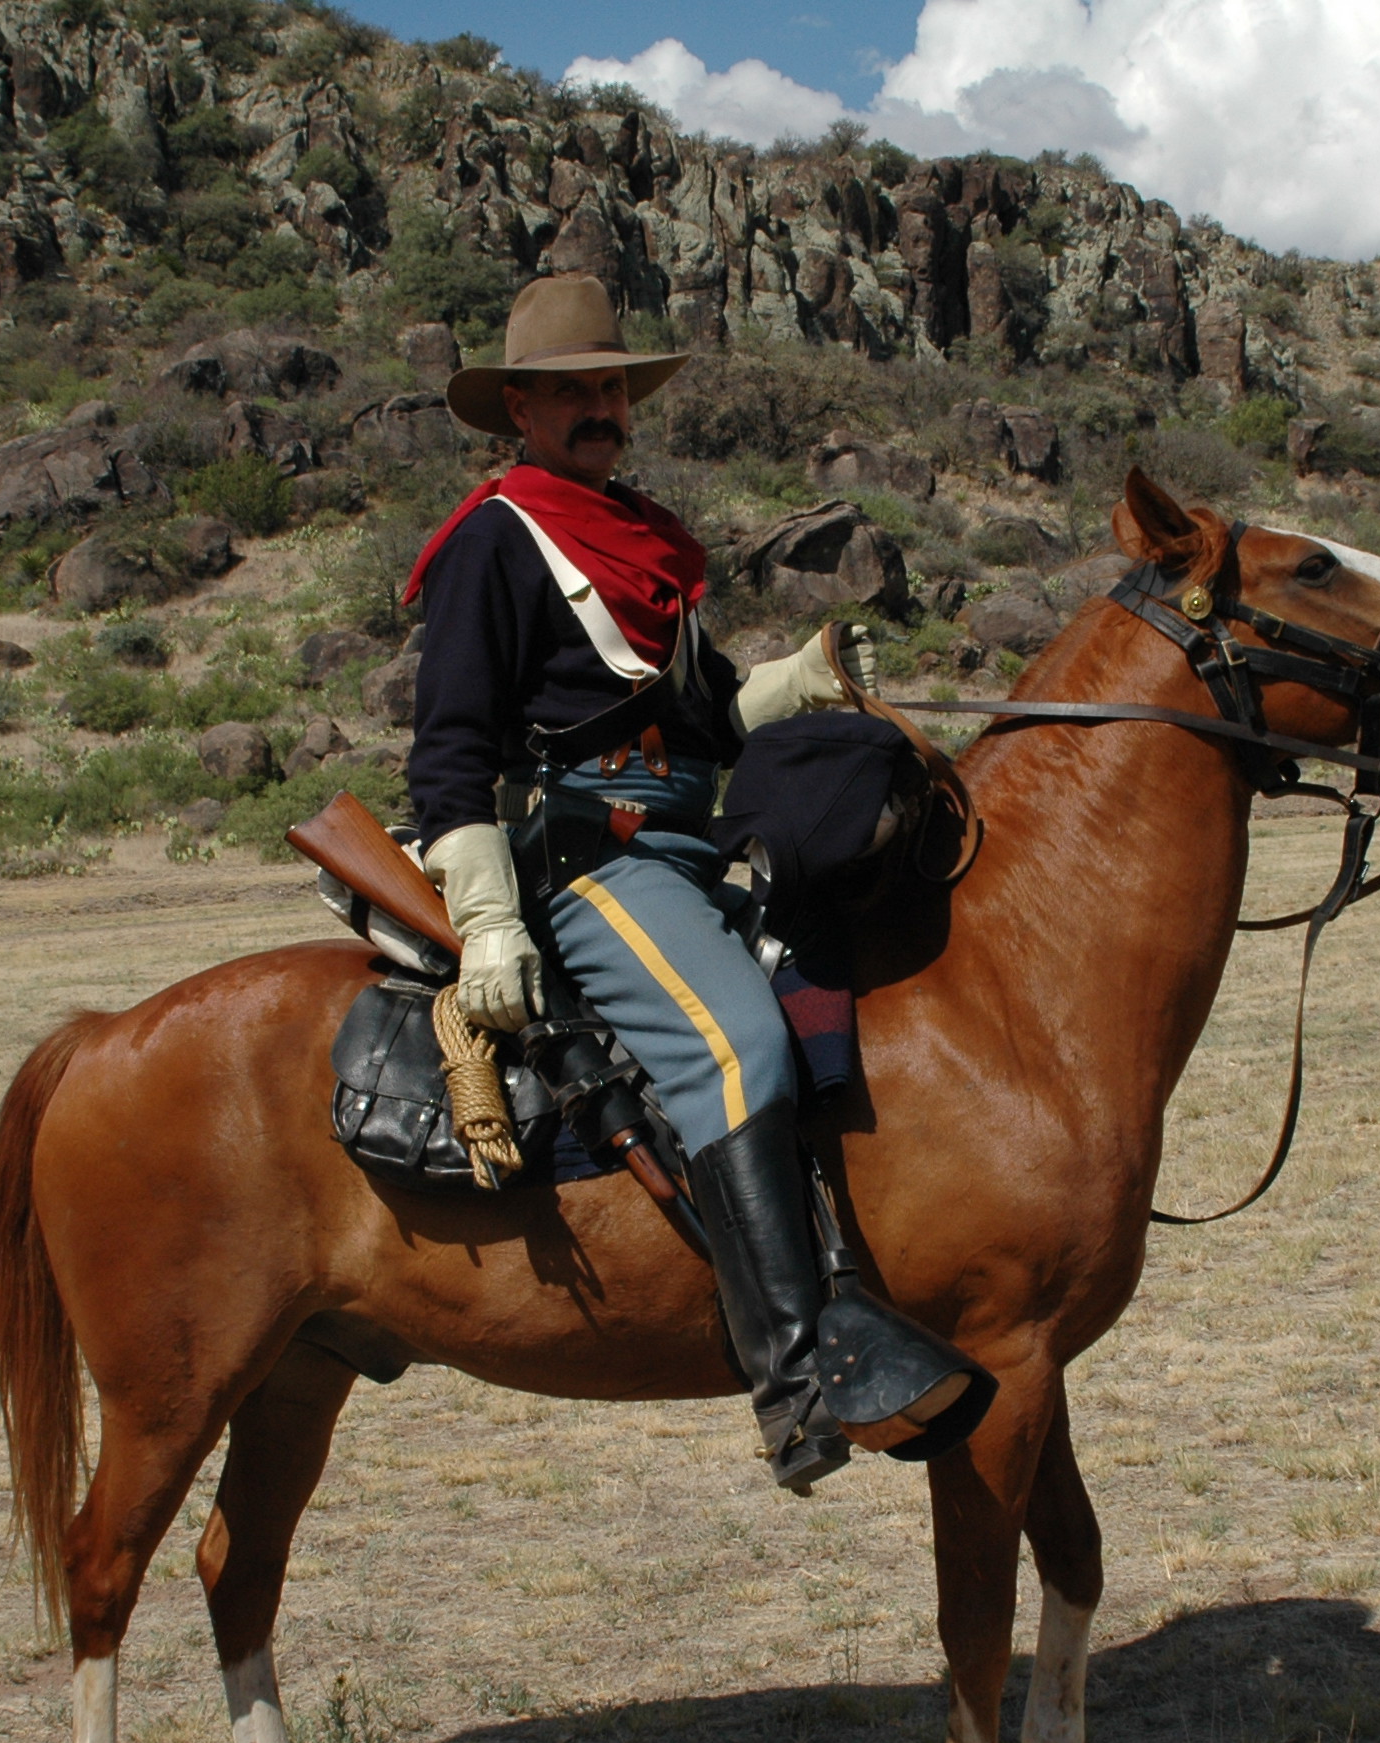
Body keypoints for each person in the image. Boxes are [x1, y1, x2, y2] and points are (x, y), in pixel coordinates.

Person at [403, 275, 982, 1492]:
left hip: (687, 838)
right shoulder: (494, 541)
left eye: (612, 386)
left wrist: (807, 675)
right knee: (735, 1049)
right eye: (572, 392)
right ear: (519, 405)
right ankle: (794, 1372)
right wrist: (490, 918)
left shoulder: (644, 540)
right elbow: (449, 749)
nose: (599, 408)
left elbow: (710, 717)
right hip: (587, 856)